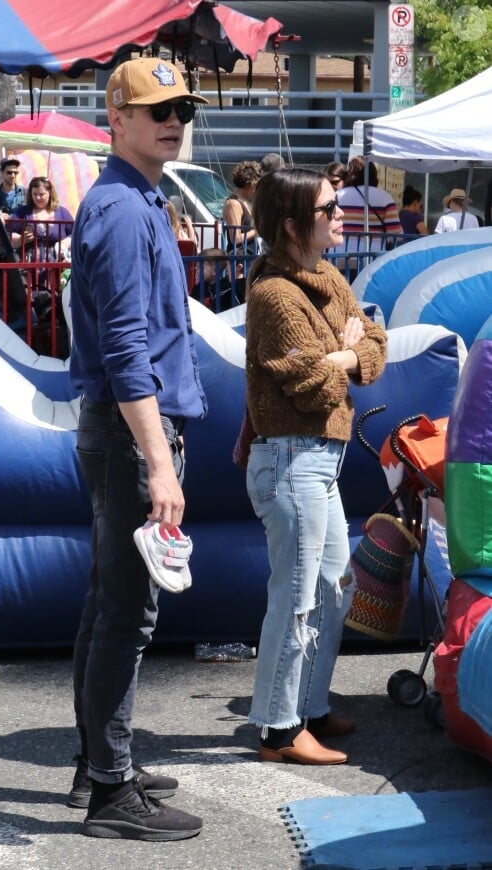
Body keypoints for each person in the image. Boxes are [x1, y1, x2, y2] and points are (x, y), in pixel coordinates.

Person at [68, 56, 208, 842]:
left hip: (122, 432)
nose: (173, 120)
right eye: (156, 109)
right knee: (128, 612)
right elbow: (126, 349)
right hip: (131, 437)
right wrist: (159, 463)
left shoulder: (135, 199)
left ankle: (101, 762)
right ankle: (111, 790)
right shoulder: (123, 209)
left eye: (181, 108)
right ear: (115, 119)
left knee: (108, 603)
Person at [243, 168, 387, 766]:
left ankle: (309, 706)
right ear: (293, 225)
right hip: (292, 460)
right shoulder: (274, 294)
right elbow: (309, 388)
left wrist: (347, 353)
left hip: (317, 461)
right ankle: (279, 730)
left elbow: (378, 346)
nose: (340, 214)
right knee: (298, 596)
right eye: (329, 209)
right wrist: (345, 354)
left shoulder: (328, 275)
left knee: (333, 588)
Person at [9, 176, 74, 262]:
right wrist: (20, 239)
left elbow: (76, 233)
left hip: (57, 268)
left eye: (41, 194)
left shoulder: (62, 212)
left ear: (49, 193)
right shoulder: (22, 212)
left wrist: (64, 243)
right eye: (35, 194)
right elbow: (7, 234)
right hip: (28, 269)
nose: (38, 198)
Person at [222, 160, 263, 255]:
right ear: (250, 184)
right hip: (240, 260)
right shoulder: (233, 204)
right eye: (257, 185)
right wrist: (258, 231)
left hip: (249, 255)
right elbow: (235, 238)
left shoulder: (245, 202)